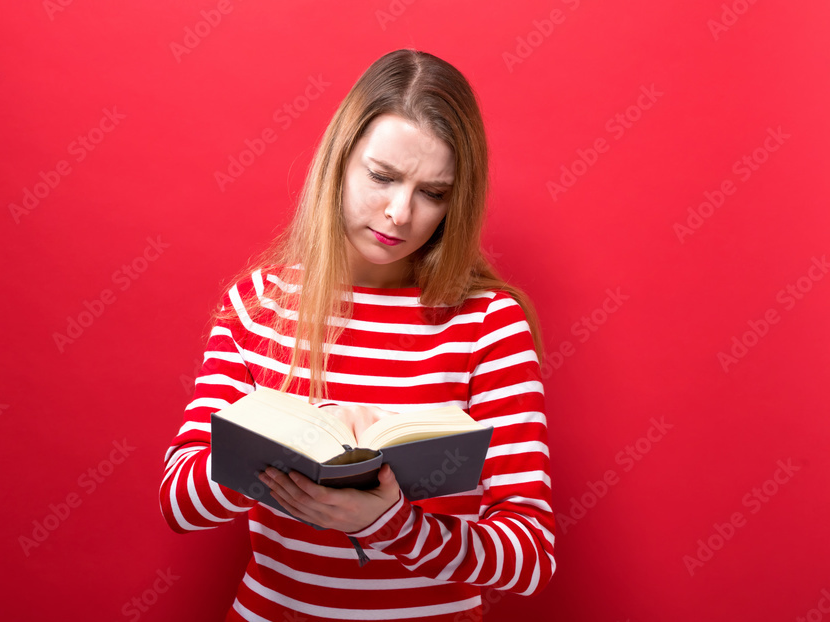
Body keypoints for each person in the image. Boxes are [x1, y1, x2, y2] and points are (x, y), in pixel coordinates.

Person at [161, 48, 554, 621]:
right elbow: (179, 503)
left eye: (434, 192)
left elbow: (530, 557)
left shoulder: (488, 321)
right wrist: (281, 441)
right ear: (339, 162)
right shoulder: (259, 304)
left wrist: (391, 525)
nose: (400, 212)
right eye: (382, 177)